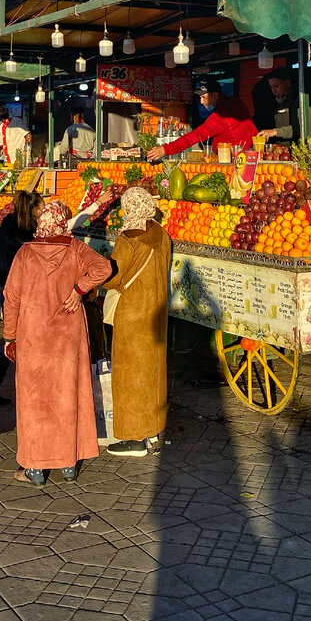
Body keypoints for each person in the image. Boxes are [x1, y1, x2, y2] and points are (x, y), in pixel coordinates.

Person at [3, 199, 112, 486]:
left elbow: (11, 298)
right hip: (68, 339)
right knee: (68, 396)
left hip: (33, 337)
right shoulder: (76, 249)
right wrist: (79, 289)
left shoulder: (26, 253)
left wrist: (9, 336)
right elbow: (103, 268)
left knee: (35, 401)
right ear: (63, 221)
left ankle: (35, 469)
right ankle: (68, 465)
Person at [103, 186, 172, 458]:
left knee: (130, 376)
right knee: (154, 373)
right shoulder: (161, 234)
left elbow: (114, 277)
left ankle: (133, 438)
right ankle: (153, 432)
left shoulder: (128, 239)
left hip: (132, 315)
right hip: (156, 313)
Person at [0, 189, 43, 406]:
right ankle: (28, 392)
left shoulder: (2, 232)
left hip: (7, 294)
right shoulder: (26, 239)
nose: (43, 212)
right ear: (33, 211)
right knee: (24, 342)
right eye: (41, 208)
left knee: (11, 339)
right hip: (23, 296)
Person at [146, 80, 267, 163]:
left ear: (215, 96)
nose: (201, 102)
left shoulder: (221, 116)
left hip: (238, 162)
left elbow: (194, 137)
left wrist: (165, 150)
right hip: (255, 155)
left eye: (203, 97)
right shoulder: (237, 103)